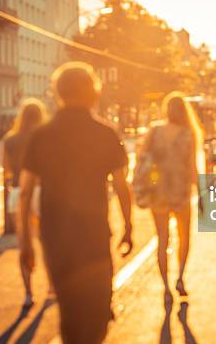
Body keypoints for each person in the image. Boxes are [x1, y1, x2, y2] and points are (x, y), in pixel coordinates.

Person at [18, 62, 133, 344]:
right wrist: (128, 226)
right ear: (93, 91)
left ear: (58, 93)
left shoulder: (41, 136)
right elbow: (121, 186)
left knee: (69, 312)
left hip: (55, 238)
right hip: (94, 235)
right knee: (98, 309)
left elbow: (24, 192)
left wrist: (24, 242)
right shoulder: (105, 133)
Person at [139, 92, 201, 302]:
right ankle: (180, 278)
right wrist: (201, 193)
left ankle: (165, 287)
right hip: (181, 191)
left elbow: (143, 159)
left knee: (162, 239)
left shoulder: (155, 131)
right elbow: (193, 168)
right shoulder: (188, 134)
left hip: (158, 192)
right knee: (184, 237)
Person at [1, 98, 51, 307]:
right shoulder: (46, 137)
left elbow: (6, 170)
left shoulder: (10, 140)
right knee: (46, 240)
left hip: (19, 192)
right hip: (43, 191)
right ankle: (51, 286)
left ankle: (28, 293)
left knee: (24, 242)